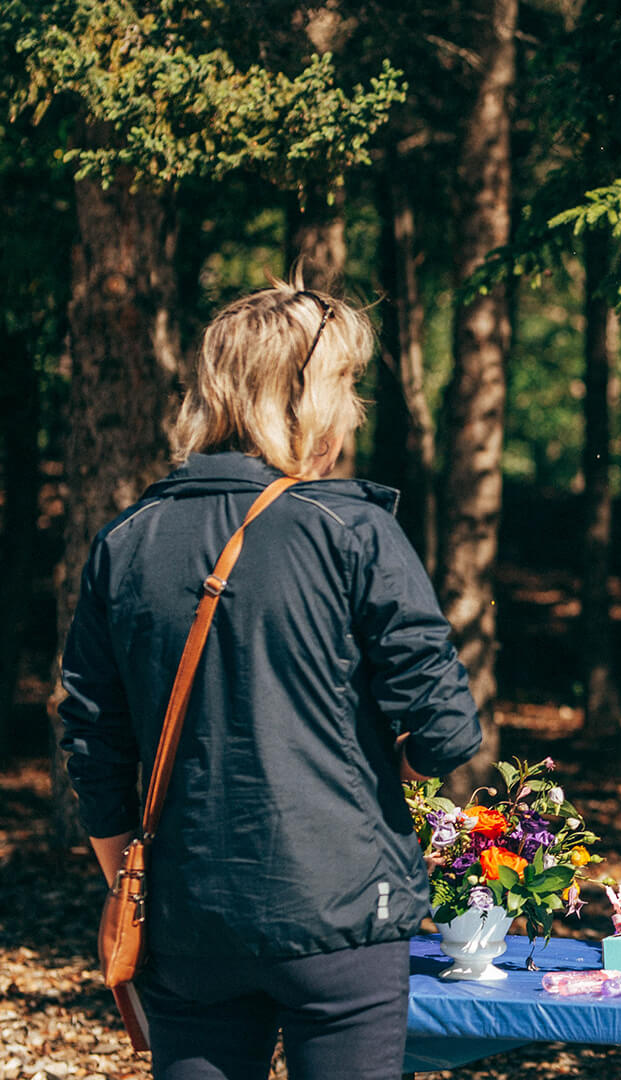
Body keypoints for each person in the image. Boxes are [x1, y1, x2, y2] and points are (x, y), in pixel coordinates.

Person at [59, 278, 484, 1079]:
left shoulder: (127, 539)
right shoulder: (350, 528)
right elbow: (446, 725)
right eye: (345, 384)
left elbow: (91, 740)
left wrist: (130, 880)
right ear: (302, 396)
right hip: (342, 912)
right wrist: (387, 775)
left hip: (186, 925)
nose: (353, 409)